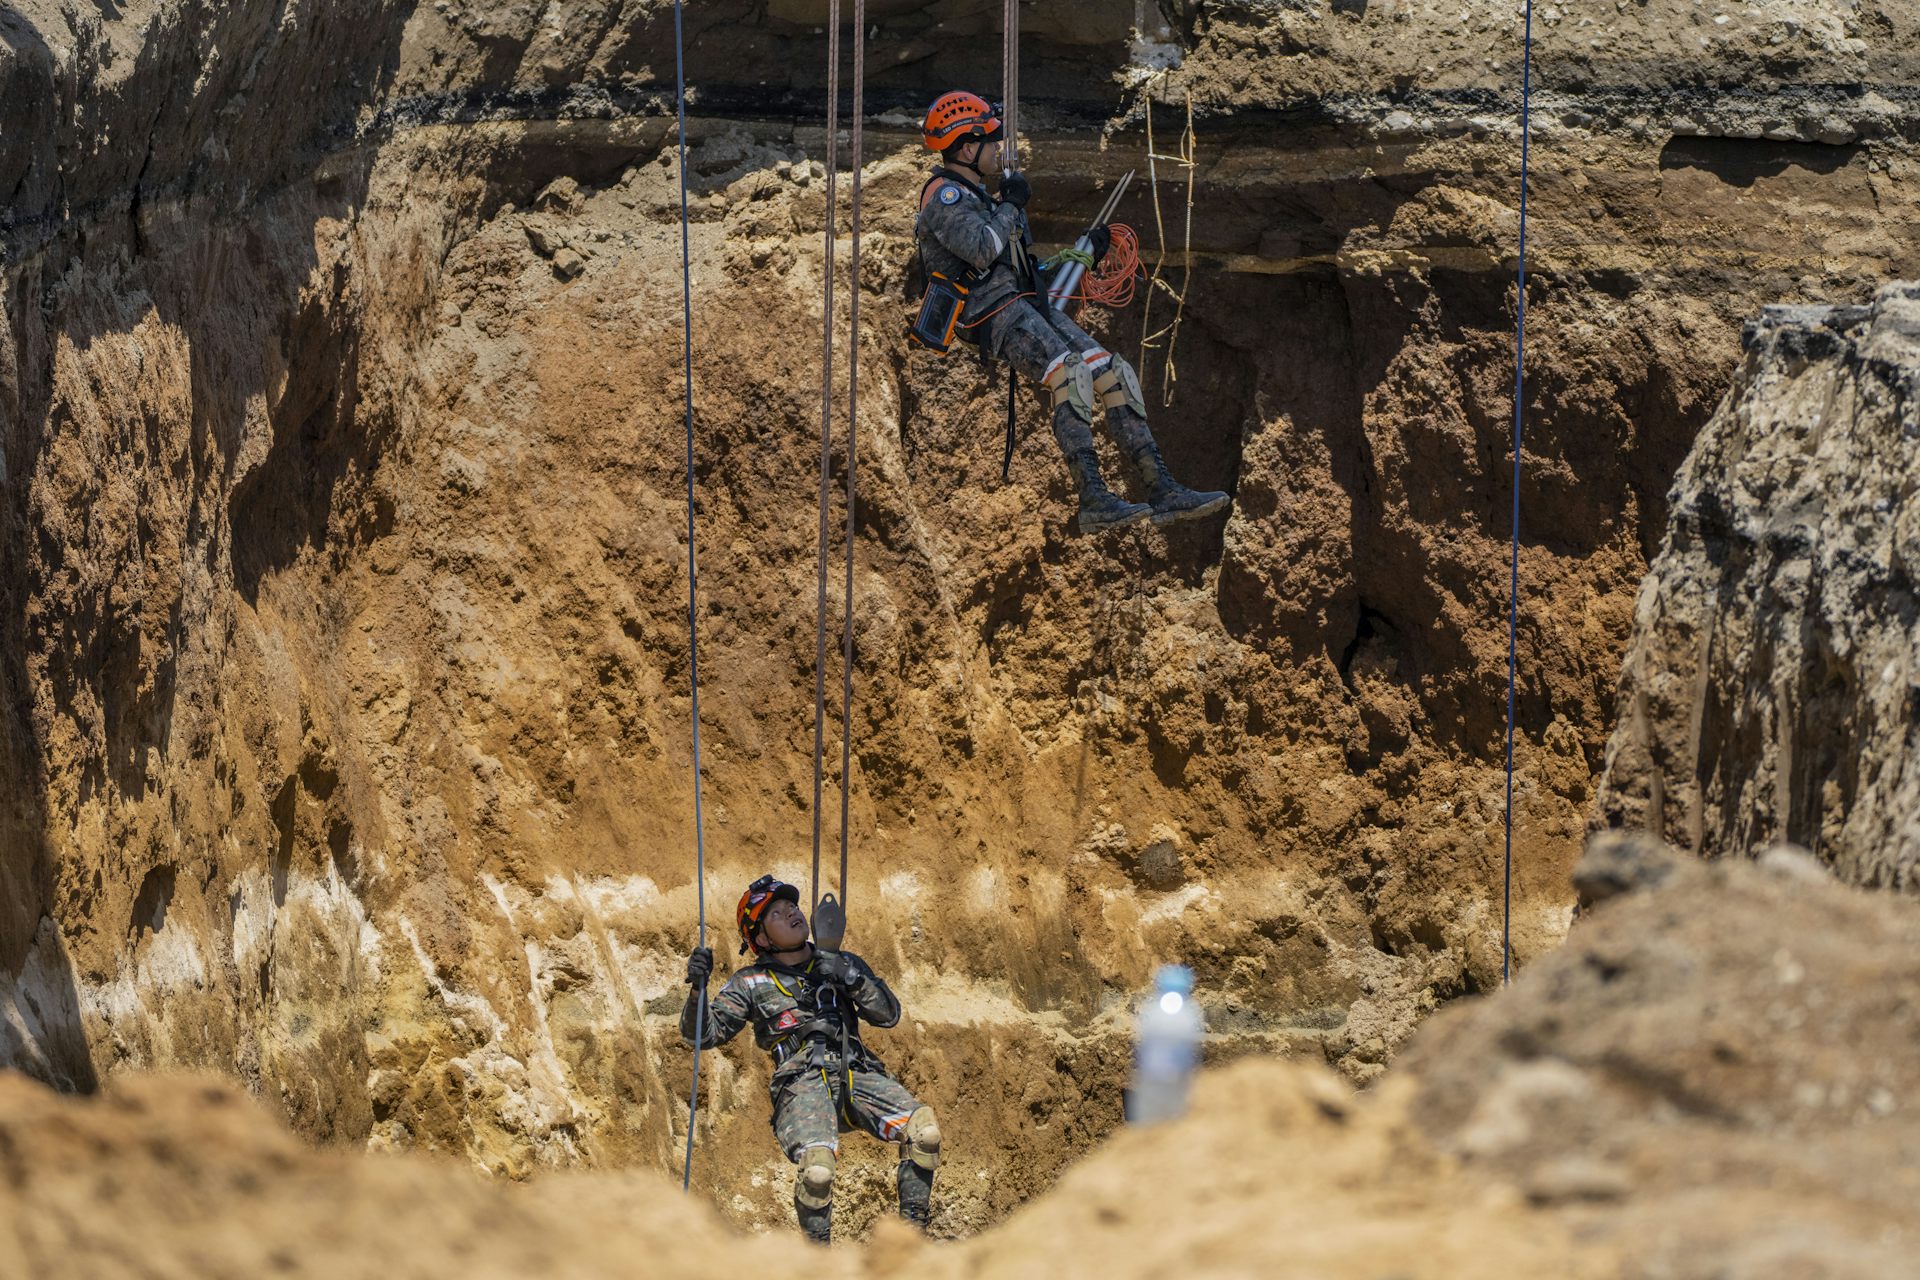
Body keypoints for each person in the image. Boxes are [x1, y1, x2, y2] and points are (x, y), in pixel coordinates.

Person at [913, 90, 1231, 534]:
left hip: (1023, 302)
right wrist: (1010, 204)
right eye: (992, 141)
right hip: (989, 313)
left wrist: (1084, 252)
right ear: (967, 148)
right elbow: (982, 250)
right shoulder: (944, 196)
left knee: (1112, 372)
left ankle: (1161, 486)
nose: (1000, 150)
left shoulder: (981, 198)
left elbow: (1024, 265)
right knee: (1071, 371)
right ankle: (1093, 497)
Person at [681, 875, 942, 1244]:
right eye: (776, 913)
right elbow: (701, 1035)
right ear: (759, 938)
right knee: (817, 1173)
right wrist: (698, 988)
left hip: (855, 1073)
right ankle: (818, 1263)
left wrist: (848, 976)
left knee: (924, 1131)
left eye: (792, 907)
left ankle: (912, 1242)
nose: (791, 913)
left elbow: (888, 1015)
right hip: (800, 1084)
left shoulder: (840, 961)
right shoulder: (751, 981)